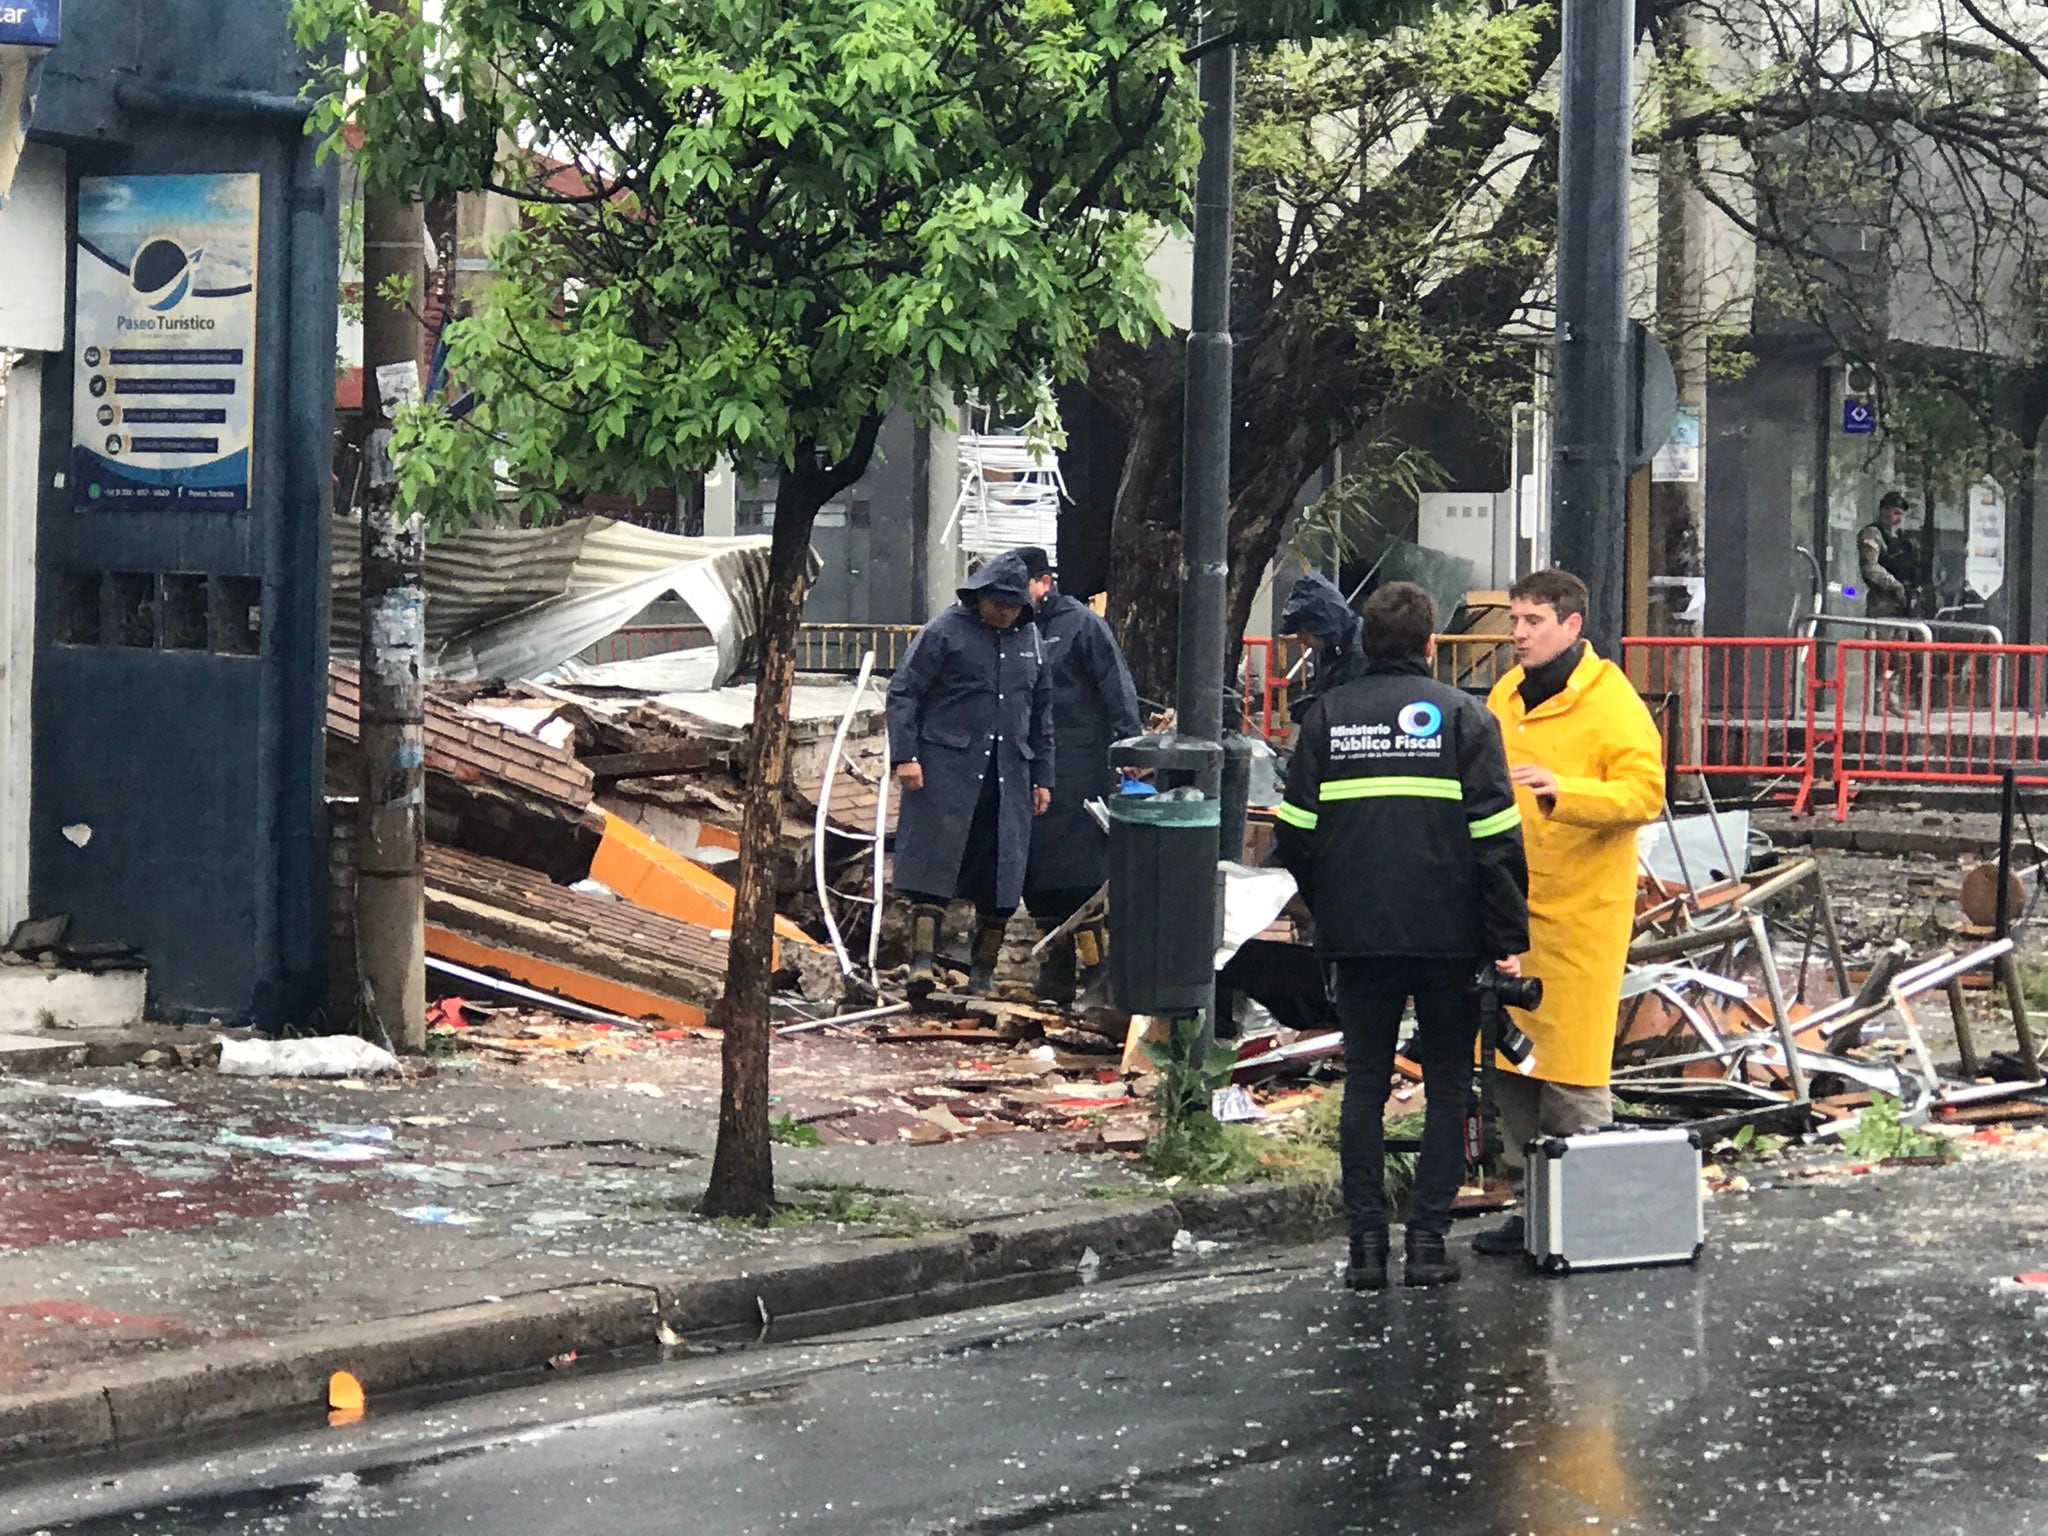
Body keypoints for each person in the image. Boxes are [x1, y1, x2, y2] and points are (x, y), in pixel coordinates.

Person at [1274, 582, 1528, 1291]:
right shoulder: (1463, 718)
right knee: (1447, 1087)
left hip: (1356, 937)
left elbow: (1294, 836)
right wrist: (1505, 934)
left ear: (1365, 640)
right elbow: (1496, 841)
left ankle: (1364, 1248)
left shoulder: (1328, 716)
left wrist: (1327, 905)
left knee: (1364, 1083)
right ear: (1429, 645)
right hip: (1449, 938)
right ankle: (1426, 1244)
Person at [1473, 569, 1665, 1258]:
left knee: (1574, 1072)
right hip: (1512, 909)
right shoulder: (1505, 697)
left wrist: (1566, 791)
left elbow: (1644, 792)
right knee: (1512, 1063)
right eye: (1515, 620)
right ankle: (1532, 1208)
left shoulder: (1612, 703)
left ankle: (1589, 1210)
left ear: (1571, 625)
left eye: (1532, 621)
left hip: (1581, 912)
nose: (1517, 633)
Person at [887, 552, 1054, 994]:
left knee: (1001, 874)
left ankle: (982, 975)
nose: (1005, 612)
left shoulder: (1031, 642)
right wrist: (905, 755)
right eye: (997, 603)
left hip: (1009, 773)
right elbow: (904, 692)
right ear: (979, 597)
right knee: (932, 865)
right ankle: (921, 963)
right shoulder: (944, 632)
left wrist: (1043, 776)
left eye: (1014, 605)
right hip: (945, 768)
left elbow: (1041, 714)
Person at [1011, 548, 1142, 1009]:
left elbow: (1115, 684)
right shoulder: (1015, 626)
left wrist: (1130, 742)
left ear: (1045, 582)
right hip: (1030, 765)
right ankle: (1055, 969)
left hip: (1080, 764)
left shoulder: (1082, 626)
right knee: (1035, 872)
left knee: (1082, 873)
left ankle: (1099, 971)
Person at [1279, 572, 1368, 709]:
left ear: (1319, 627)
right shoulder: (1331, 648)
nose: (1301, 640)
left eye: (1303, 632)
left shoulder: (1361, 652)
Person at [1858, 491, 1920, 620]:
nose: (1899, 519)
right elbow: (1870, 568)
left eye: (1902, 514)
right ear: (1884, 511)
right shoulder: (1873, 533)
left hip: (1904, 602)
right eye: (1896, 513)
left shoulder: (1902, 537)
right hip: (1883, 600)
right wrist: (1895, 586)